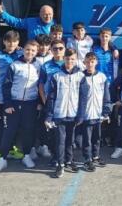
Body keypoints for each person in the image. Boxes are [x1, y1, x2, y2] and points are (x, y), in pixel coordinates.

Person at [0, 40, 41, 173]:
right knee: (8, 132)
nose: (30, 52)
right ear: (23, 50)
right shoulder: (15, 65)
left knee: (28, 131)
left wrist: (39, 103)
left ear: (37, 52)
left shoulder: (38, 65)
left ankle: (26, 156)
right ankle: (2, 159)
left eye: (33, 50)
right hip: (14, 104)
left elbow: (40, 86)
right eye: (28, 49)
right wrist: (7, 104)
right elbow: (6, 85)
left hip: (30, 104)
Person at [44, 48, 84, 178]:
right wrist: (49, 116)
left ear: (76, 60)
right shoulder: (56, 75)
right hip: (59, 114)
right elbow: (51, 97)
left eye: (72, 59)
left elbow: (83, 97)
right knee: (60, 140)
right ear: (64, 59)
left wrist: (80, 115)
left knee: (70, 140)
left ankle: (69, 160)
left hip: (73, 114)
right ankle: (60, 164)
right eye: (67, 59)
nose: (70, 61)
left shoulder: (81, 76)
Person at [0, 30, 24, 162]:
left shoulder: (21, 54)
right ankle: (0, 152)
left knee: (14, 125)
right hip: (1, 97)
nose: (11, 44)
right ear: (4, 41)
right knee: (2, 126)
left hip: (17, 97)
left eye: (14, 41)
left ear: (18, 42)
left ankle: (11, 149)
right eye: (8, 41)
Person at [77, 52, 112, 172]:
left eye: (92, 61)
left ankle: (95, 156)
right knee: (87, 138)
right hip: (86, 114)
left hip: (98, 113)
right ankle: (87, 159)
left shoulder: (102, 77)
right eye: (87, 62)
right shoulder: (80, 76)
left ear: (96, 62)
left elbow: (106, 96)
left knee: (97, 137)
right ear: (84, 63)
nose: (90, 64)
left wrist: (106, 111)